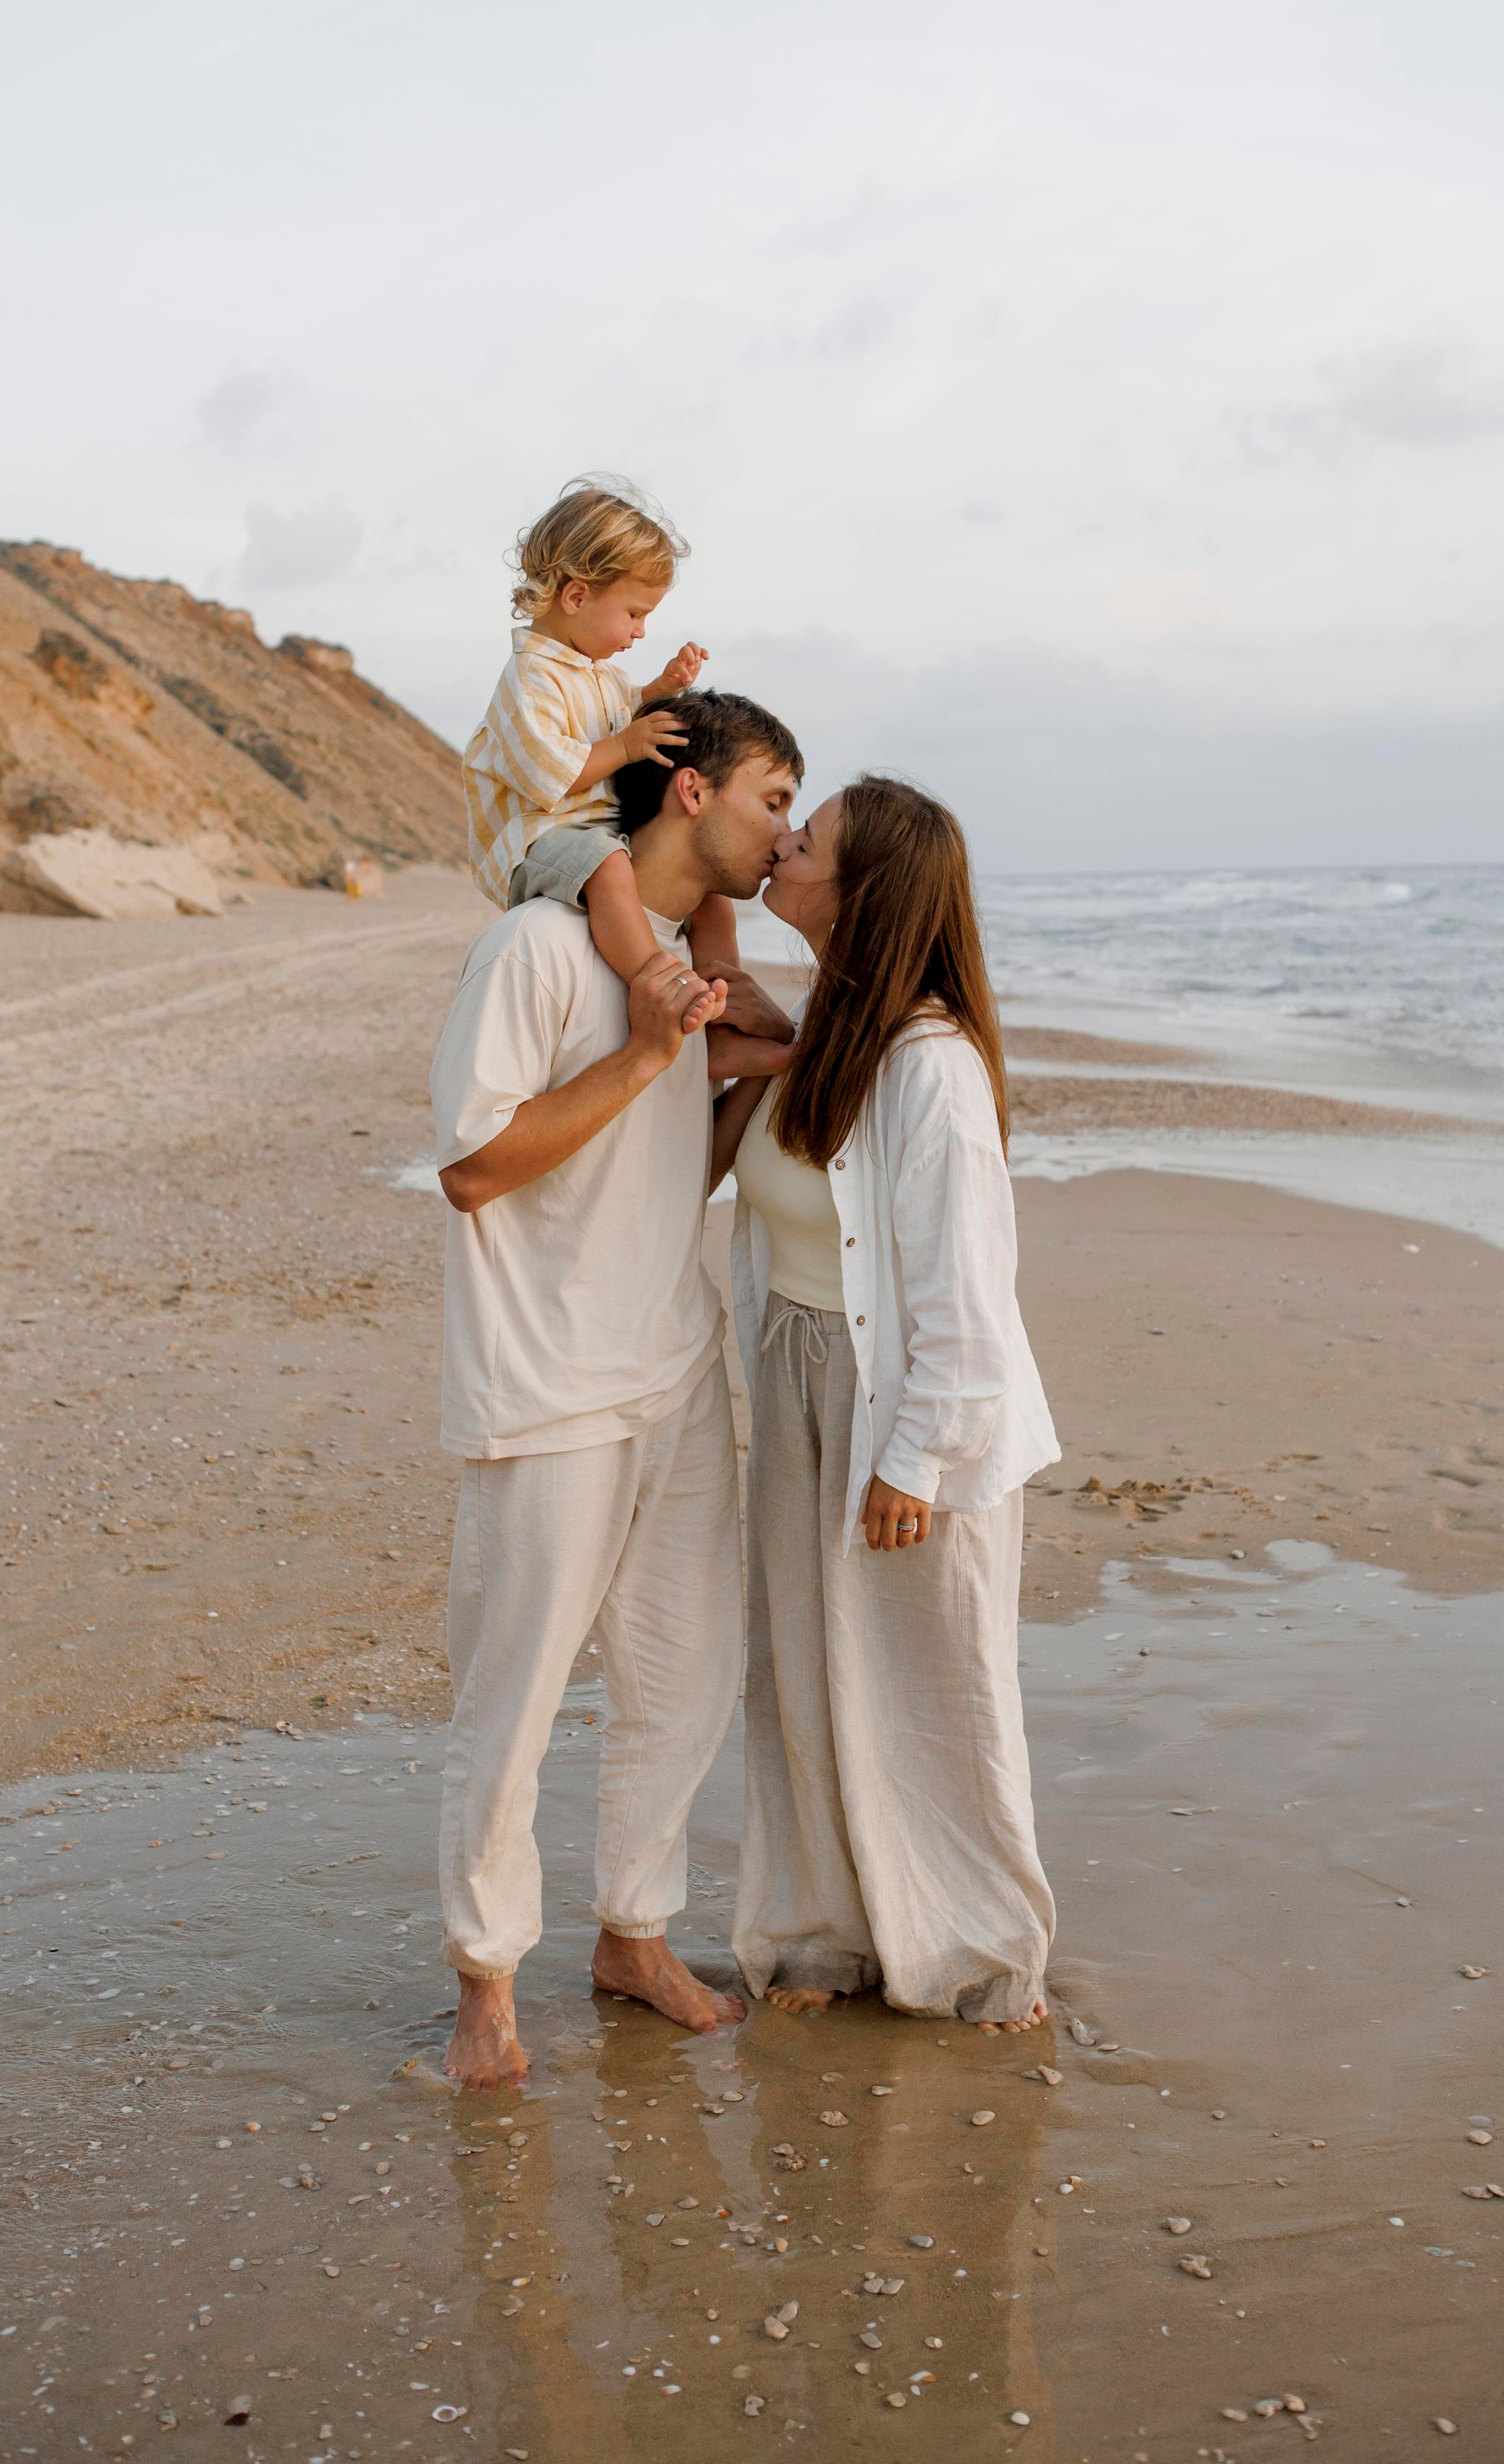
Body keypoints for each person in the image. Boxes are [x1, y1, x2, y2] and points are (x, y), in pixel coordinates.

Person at [430, 689, 804, 2088]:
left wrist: (727, 1083)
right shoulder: (533, 950)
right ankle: (484, 1981)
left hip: (676, 1365)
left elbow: (661, 1173)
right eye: (773, 799)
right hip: (547, 1391)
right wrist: (653, 1051)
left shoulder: (686, 972)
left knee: (685, 1673)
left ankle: (633, 1935)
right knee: (514, 1698)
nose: (784, 834)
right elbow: (473, 1171)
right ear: (690, 790)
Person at [713, 775, 1058, 2032]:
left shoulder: (930, 1071)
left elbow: (969, 1302)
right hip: (798, 1376)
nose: (786, 845)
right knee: (800, 1668)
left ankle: (980, 1958)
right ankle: (822, 1936)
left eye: (811, 840)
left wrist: (914, 1459)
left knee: (935, 1682)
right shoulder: (828, 1031)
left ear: (862, 895)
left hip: (905, 1400)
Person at [460, 475, 792, 1073]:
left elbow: (619, 715)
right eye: (634, 613)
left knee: (709, 890)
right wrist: (626, 741)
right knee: (611, 869)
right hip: (540, 838)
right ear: (577, 597)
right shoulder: (530, 679)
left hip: (592, 831)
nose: (640, 630)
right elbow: (554, 778)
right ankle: (653, 977)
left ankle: (724, 1003)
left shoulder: (595, 673)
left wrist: (660, 690)